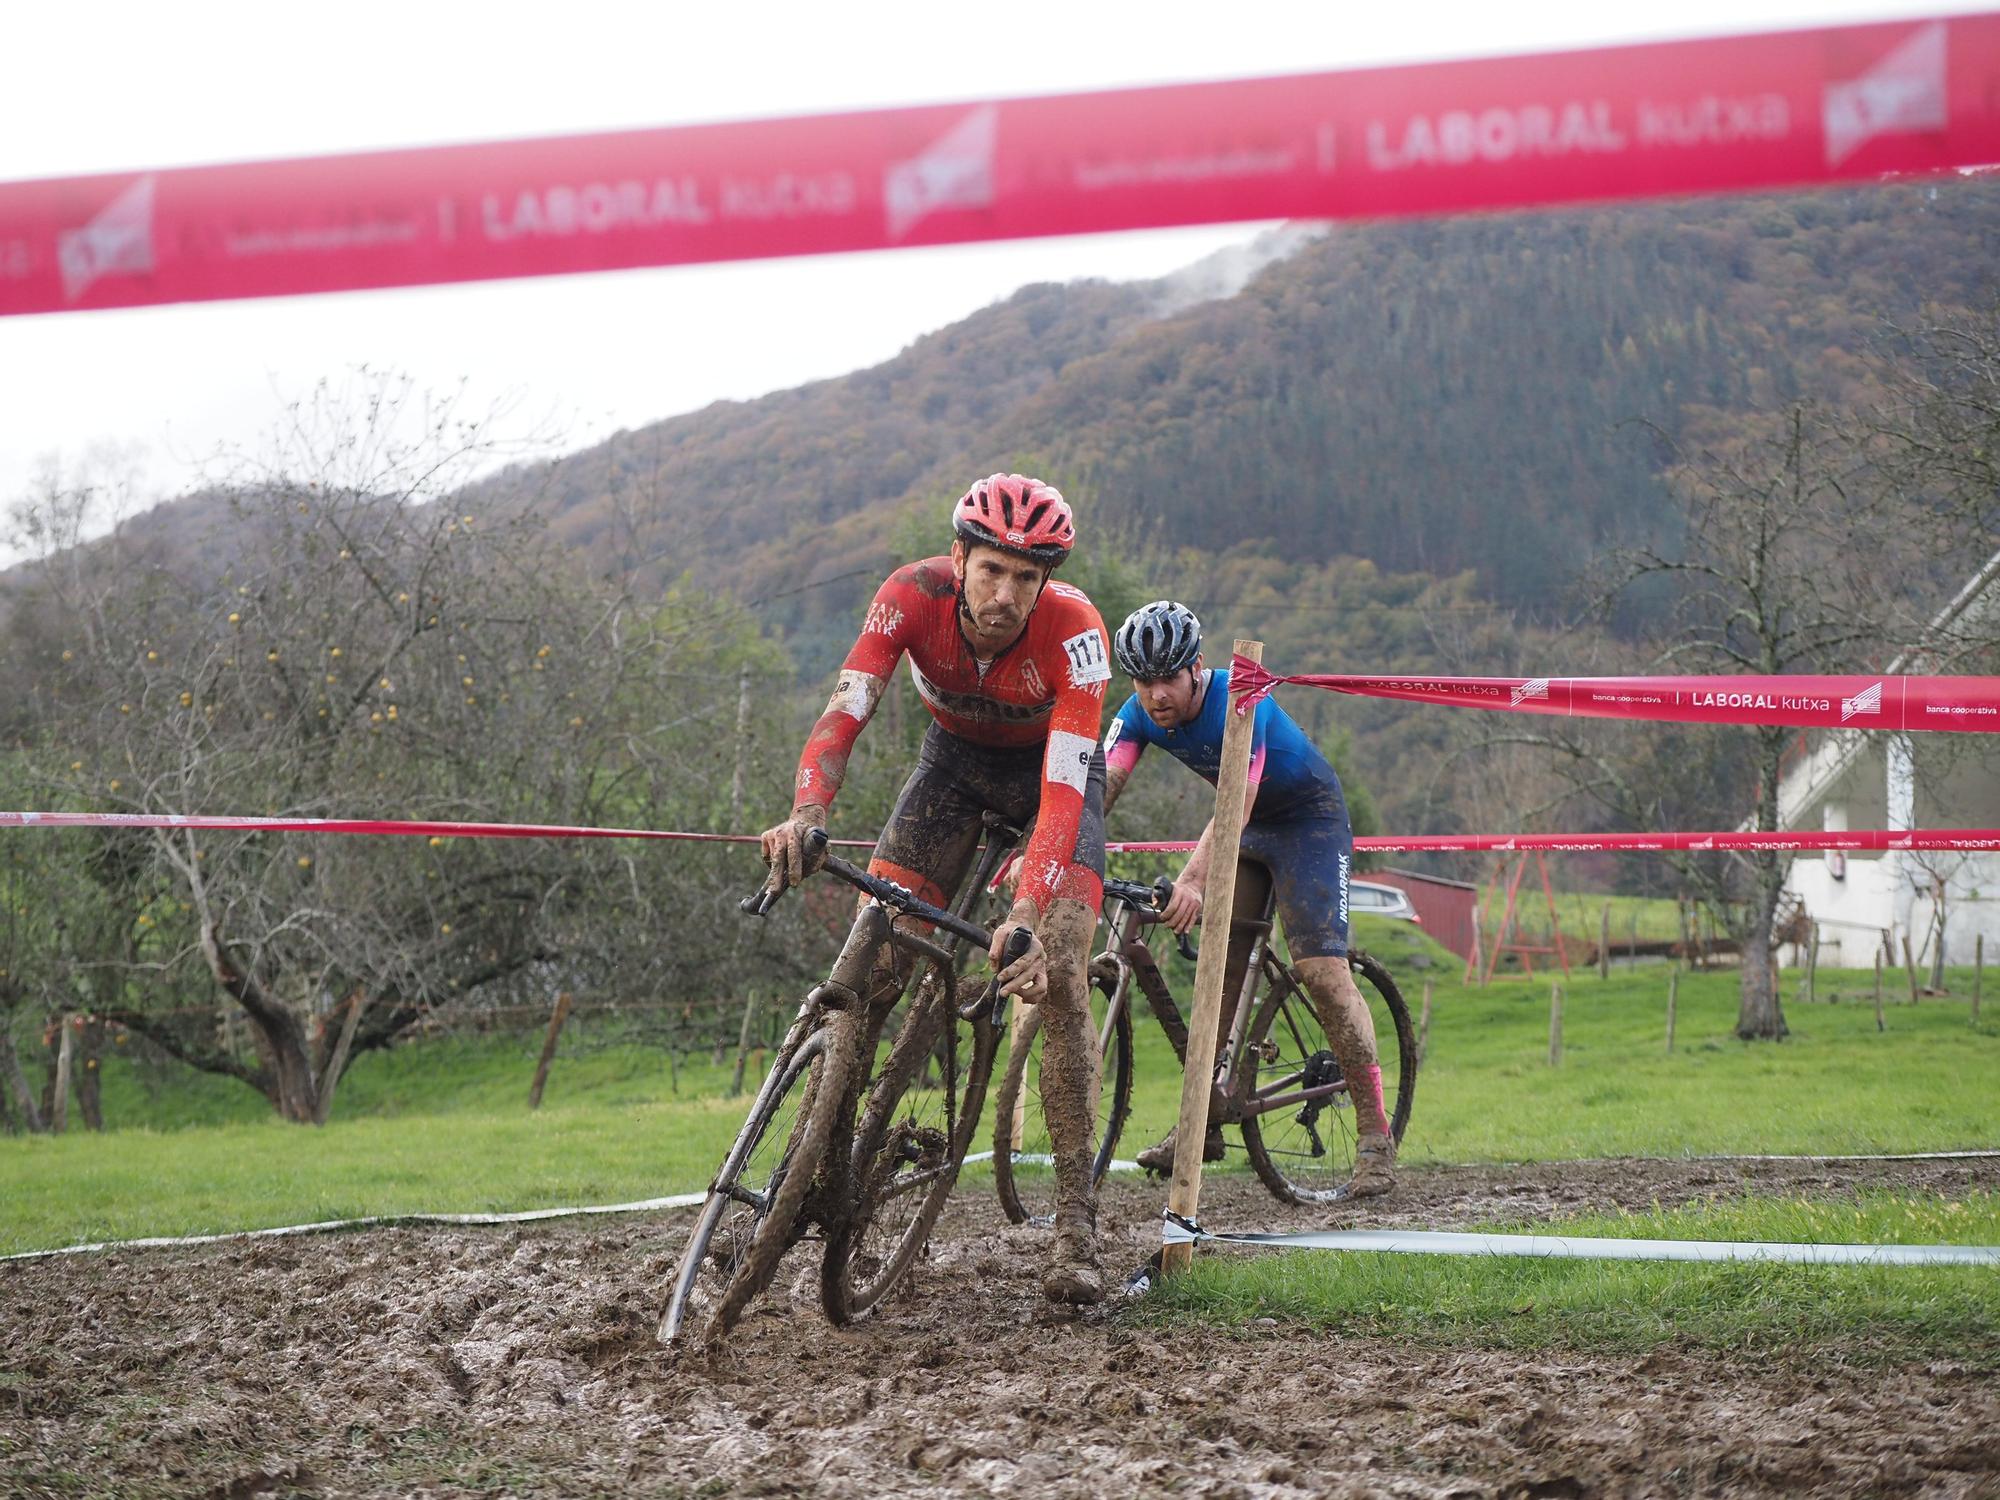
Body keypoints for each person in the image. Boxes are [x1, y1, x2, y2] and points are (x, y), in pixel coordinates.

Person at [759, 474, 1116, 1303]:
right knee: (868, 960)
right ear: (959, 559)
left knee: (1060, 972)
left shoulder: (1079, 636)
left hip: (1052, 785)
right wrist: (805, 814)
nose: (1006, 596)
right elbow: (845, 711)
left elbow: (1064, 790)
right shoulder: (908, 596)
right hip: (950, 769)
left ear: (1047, 581)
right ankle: (806, 1170)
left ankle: (1076, 1224)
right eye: (991, 570)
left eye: (1026, 578)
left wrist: (1024, 913)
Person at [1101, 599, 1396, 1200]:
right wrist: (1051, 850)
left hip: (1307, 821)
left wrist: (1192, 880)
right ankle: (1204, 1121)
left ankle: (1375, 1137)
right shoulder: (1137, 714)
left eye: (1168, 678)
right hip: (1250, 827)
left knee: (1321, 972)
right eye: (1143, 681)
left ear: (1197, 667)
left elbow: (1237, 797)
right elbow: (1100, 787)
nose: (1156, 694)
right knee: (1219, 971)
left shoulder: (1241, 698)